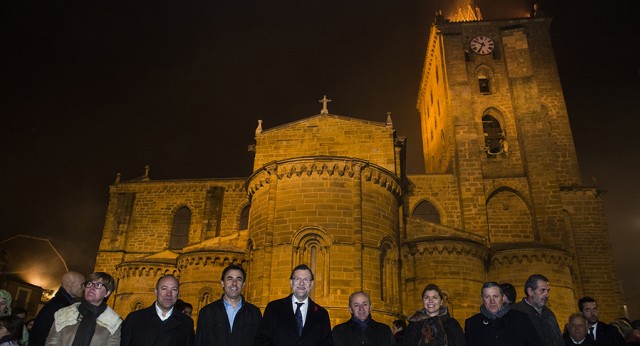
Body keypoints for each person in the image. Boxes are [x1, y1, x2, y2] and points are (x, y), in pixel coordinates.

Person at [254, 264, 332, 346]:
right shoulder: (274, 308)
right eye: (297, 279)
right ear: (291, 282)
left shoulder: (322, 314)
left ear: (311, 284)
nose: (301, 283)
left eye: (306, 279)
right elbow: (261, 340)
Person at [45, 272, 122, 346]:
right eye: (89, 284)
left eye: (98, 285)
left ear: (107, 293)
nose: (91, 287)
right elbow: (52, 342)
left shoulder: (113, 322)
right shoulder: (64, 314)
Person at [195, 264, 261, 346]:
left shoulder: (254, 313)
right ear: (222, 283)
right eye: (230, 279)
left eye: (239, 279)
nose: (234, 283)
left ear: (243, 284)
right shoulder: (207, 312)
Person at [120, 275, 194, 346]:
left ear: (178, 293)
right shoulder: (134, 319)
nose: (169, 294)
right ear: (156, 291)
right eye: (164, 289)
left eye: (174, 289)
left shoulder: (186, 323)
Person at [465, 281, 542, 346]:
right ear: (482, 299)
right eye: (487, 297)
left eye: (496, 296)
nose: (492, 301)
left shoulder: (521, 319)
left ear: (503, 298)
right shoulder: (472, 324)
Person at [30, 271, 85, 346]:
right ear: (70, 284)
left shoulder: (63, 304)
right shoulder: (57, 306)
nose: (84, 288)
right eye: (82, 285)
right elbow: (44, 335)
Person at [331, 291, 396, 346]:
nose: (361, 308)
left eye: (365, 304)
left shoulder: (384, 331)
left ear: (370, 307)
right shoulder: (338, 332)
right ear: (350, 309)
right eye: (356, 305)